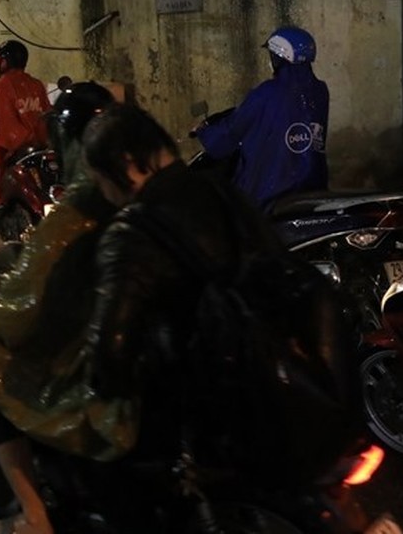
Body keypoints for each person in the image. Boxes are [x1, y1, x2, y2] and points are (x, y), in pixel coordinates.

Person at [0, 82, 118, 534]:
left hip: (93, 356)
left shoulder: (82, 207)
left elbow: (24, 298)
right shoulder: (136, 189)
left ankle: (34, 514)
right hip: (125, 340)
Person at [82, 103, 287, 455]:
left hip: (209, 414)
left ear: (127, 163)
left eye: (100, 180)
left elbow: (110, 357)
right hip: (278, 382)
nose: (104, 193)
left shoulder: (133, 230)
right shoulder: (225, 191)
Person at [193, 25, 328, 210]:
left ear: (279, 57)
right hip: (312, 184)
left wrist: (205, 131)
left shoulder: (266, 93)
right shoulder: (320, 91)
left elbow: (232, 131)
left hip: (271, 191)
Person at [0, 40, 51, 205]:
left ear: (5, 62)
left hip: (14, 149)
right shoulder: (37, 85)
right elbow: (47, 114)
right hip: (41, 145)